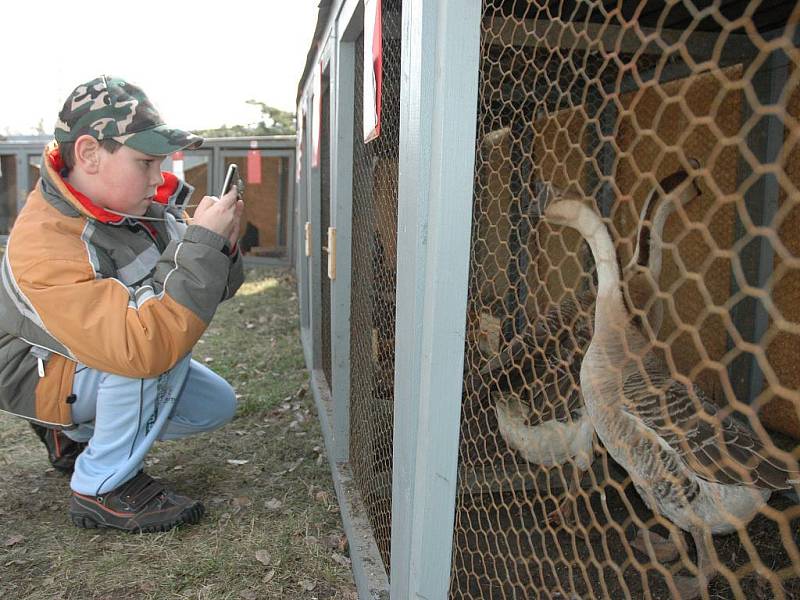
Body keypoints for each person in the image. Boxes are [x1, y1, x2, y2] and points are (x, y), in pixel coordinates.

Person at [0, 75, 245, 533]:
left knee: (214, 406)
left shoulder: (137, 208)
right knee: (144, 357)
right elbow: (138, 345)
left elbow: (209, 285)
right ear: (90, 154)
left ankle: (71, 430)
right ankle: (101, 487)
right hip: (28, 372)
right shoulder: (44, 242)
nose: (159, 178)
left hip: (86, 358)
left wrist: (219, 247)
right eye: (146, 162)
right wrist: (199, 247)